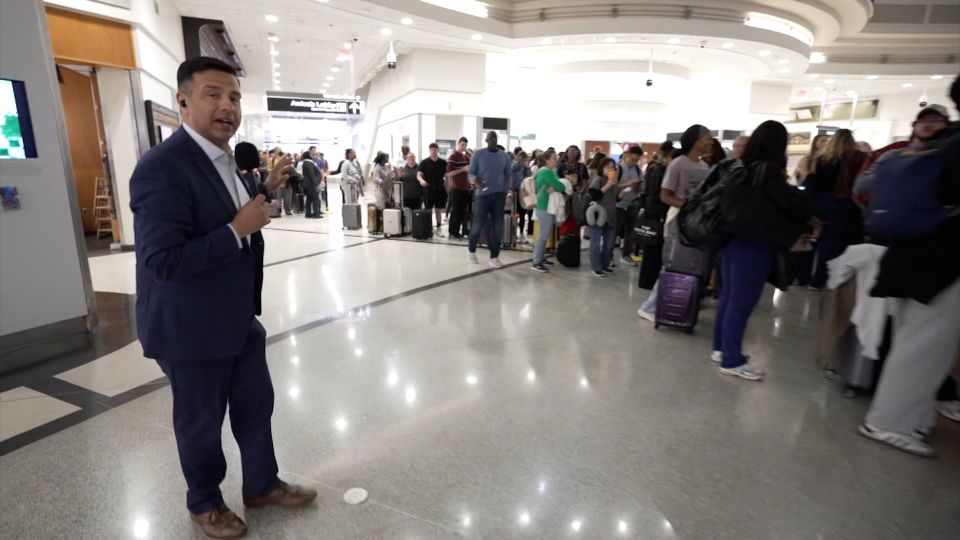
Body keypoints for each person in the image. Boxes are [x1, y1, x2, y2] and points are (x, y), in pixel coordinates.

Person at [130, 57, 316, 540]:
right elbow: (162, 262)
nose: (227, 106)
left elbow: (221, 206)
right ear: (184, 100)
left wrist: (263, 187)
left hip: (235, 318)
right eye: (213, 94)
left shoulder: (224, 159)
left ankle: (262, 485)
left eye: (233, 97)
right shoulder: (161, 169)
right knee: (200, 422)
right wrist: (237, 231)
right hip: (189, 327)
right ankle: (205, 503)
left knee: (257, 405)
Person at [855, 97, 959, 457]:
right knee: (924, 347)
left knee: (916, 344)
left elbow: (865, 189)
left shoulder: (927, 151)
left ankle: (911, 418)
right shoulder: (950, 148)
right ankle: (890, 422)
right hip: (938, 263)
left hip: (908, 255)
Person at [712, 120, 816, 381]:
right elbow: (789, 205)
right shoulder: (768, 170)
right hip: (754, 242)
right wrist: (809, 218)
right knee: (742, 302)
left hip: (730, 238)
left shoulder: (740, 167)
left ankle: (721, 348)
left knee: (728, 297)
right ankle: (732, 359)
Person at [638, 125, 712, 321]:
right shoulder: (678, 164)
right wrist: (687, 206)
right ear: (696, 141)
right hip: (678, 220)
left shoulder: (704, 167)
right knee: (672, 264)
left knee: (689, 266)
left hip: (694, 222)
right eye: (707, 138)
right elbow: (665, 195)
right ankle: (649, 307)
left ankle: (678, 307)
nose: (710, 141)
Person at [803, 129, 866, 290]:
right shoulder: (859, 158)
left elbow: (814, 183)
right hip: (847, 204)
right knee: (845, 243)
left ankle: (817, 280)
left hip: (822, 203)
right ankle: (839, 279)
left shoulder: (823, 159)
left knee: (824, 244)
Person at [468, 131, 513, 268]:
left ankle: (494, 257)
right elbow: (471, 173)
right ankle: (471, 251)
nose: (493, 140)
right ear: (486, 140)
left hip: (499, 195)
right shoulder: (479, 154)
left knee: (497, 227)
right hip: (482, 195)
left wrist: (506, 191)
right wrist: (475, 180)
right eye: (490, 138)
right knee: (478, 224)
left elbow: (508, 175)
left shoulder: (503, 156)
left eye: (495, 137)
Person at [637, 145, 677, 289]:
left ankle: (647, 280)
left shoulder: (656, 169)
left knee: (651, 248)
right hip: (657, 213)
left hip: (652, 212)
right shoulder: (662, 171)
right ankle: (650, 281)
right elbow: (657, 194)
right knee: (654, 248)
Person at [530, 149, 565, 273]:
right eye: (554, 158)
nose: (556, 160)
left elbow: (557, 185)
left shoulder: (547, 171)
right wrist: (557, 186)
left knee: (545, 234)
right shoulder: (546, 172)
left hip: (544, 206)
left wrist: (556, 186)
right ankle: (536, 261)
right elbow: (561, 186)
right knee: (543, 235)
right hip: (543, 206)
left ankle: (541, 258)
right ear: (547, 160)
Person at [587, 157, 619, 277]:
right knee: (595, 243)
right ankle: (596, 267)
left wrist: (626, 189)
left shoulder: (614, 183)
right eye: (608, 167)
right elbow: (594, 195)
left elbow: (617, 198)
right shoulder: (598, 179)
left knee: (609, 244)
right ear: (602, 168)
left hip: (610, 216)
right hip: (598, 216)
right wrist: (609, 184)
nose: (611, 170)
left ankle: (604, 265)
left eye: (612, 168)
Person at [615, 146, 644, 267]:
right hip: (619, 204)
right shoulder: (618, 168)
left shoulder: (638, 170)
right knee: (615, 230)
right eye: (633, 159)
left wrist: (639, 186)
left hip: (632, 203)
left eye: (637, 160)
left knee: (630, 231)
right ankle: (608, 256)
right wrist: (628, 183)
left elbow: (642, 187)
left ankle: (626, 255)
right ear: (627, 155)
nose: (635, 162)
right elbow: (613, 187)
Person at [419, 143, 448, 233]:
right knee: (428, 210)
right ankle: (429, 228)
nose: (433, 151)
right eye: (431, 149)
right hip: (428, 190)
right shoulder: (424, 162)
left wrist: (447, 186)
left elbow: (447, 175)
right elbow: (419, 175)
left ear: (438, 150)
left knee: (438, 210)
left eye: (435, 149)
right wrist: (421, 181)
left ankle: (439, 226)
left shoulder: (443, 162)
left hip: (439, 189)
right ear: (429, 150)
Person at [446, 137, 471, 239]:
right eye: (462, 145)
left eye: (465, 145)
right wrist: (463, 170)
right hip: (456, 188)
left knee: (461, 211)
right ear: (458, 144)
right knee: (455, 211)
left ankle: (457, 231)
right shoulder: (453, 156)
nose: (464, 147)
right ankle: (452, 232)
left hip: (464, 188)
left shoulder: (465, 157)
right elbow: (449, 173)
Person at [512, 151, 533, 238]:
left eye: (526, 160)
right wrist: (521, 167)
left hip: (524, 193)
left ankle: (521, 231)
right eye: (523, 160)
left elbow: (529, 179)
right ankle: (514, 232)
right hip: (516, 192)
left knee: (523, 212)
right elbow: (518, 179)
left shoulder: (527, 169)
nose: (525, 162)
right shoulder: (515, 166)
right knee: (516, 212)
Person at [300, 150, 322, 218]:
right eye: (310, 154)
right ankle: (316, 214)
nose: (312, 155)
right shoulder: (308, 163)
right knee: (315, 198)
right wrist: (316, 184)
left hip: (307, 184)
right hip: (311, 184)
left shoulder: (306, 163)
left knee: (309, 199)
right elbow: (311, 174)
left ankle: (308, 213)